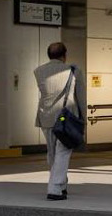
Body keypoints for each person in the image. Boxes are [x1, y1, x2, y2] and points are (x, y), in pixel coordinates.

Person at [33, 41, 86, 201]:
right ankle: (55, 188)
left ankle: (61, 185)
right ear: (64, 55)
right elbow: (81, 97)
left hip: (46, 117)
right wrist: (83, 118)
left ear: (49, 55)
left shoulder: (38, 71)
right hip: (66, 117)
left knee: (52, 153)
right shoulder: (74, 70)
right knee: (63, 152)